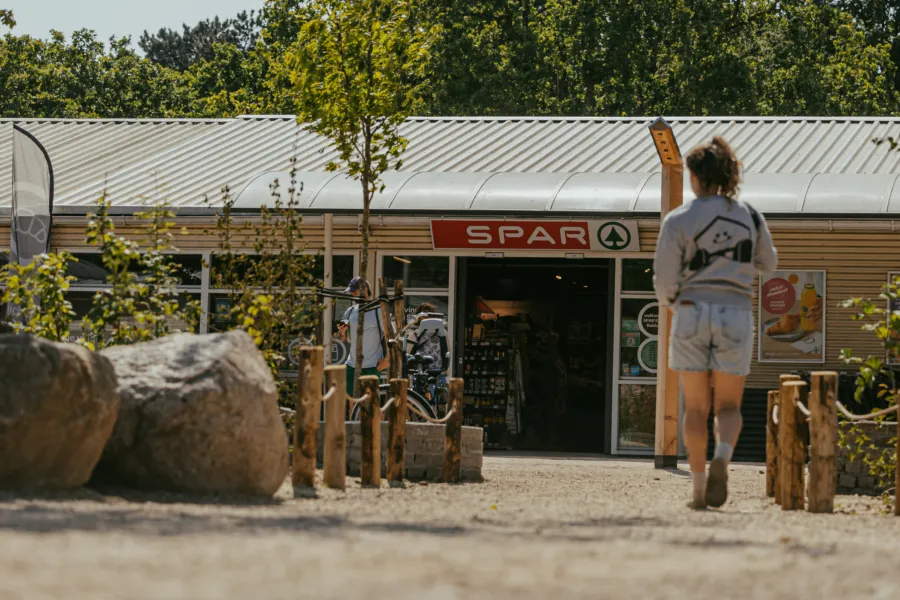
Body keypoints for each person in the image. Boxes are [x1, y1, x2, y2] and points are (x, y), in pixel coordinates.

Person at [653, 136, 778, 510]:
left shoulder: (678, 218)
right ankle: (722, 455)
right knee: (728, 406)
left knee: (695, 408)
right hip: (735, 311)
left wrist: (676, 304)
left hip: (691, 309)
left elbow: (663, 279)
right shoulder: (750, 215)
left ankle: (697, 488)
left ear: (693, 177)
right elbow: (768, 263)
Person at [342, 277, 389, 393]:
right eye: (351, 291)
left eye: (355, 291)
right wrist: (342, 332)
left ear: (366, 290)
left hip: (372, 365)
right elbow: (343, 338)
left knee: (372, 403)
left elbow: (391, 337)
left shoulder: (378, 310)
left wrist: (387, 360)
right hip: (352, 364)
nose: (353, 294)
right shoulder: (349, 311)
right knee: (352, 402)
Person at [405, 302, 448, 372]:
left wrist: (446, 373)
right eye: (425, 316)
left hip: (436, 372)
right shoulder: (413, 335)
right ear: (419, 318)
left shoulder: (443, 333)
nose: (427, 318)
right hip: (422, 372)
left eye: (429, 315)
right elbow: (409, 357)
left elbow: (446, 353)